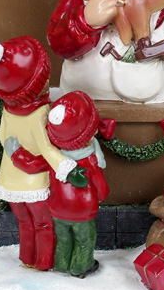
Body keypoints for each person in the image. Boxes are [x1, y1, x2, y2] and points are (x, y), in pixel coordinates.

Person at [0, 36, 74, 271]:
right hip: (33, 185)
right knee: (42, 223)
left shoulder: (8, 111)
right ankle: (43, 261)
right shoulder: (39, 114)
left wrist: (16, 155)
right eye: (43, 80)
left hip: (9, 179)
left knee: (23, 221)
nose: (48, 83)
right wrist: (63, 165)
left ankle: (27, 258)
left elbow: (3, 138)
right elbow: (46, 148)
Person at [6, 90, 108, 277]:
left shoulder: (54, 158)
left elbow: (34, 166)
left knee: (63, 239)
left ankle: (61, 263)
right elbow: (102, 190)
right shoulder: (91, 161)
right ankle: (80, 266)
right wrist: (101, 195)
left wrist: (16, 153)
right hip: (83, 212)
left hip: (58, 209)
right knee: (84, 239)